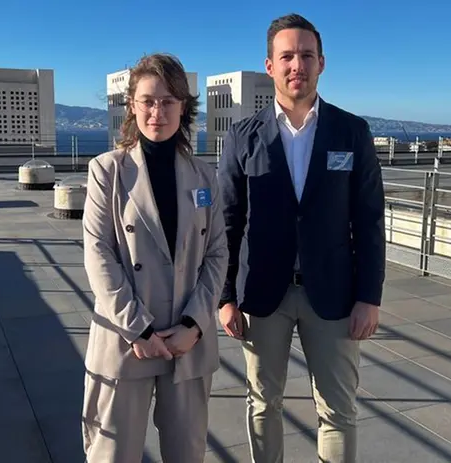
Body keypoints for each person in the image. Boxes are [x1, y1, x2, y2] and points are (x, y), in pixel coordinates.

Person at [217, 13, 386, 463]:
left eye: (306, 55)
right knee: (261, 404)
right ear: (270, 66)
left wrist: (369, 296)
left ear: (322, 63)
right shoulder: (242, 137)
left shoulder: (352, 132)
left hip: (333, 295)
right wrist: (225, 295)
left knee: (338, 410)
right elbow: (227, 223)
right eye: (287, 55)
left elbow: (370, 219)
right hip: (261, 295)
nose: (298, 65)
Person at [81, 53, 229, 463]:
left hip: (187, 343)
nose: (157, 111)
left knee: (187, 453)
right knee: (113, 453)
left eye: (167, 101)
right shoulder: (106, 171)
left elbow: (217, 253)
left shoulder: (205, 176)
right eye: (147, 100)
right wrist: (139, 330)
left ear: (184, 106)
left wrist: (195, 325)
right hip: (125, 340)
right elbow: (99, 256)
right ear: (132, 105)